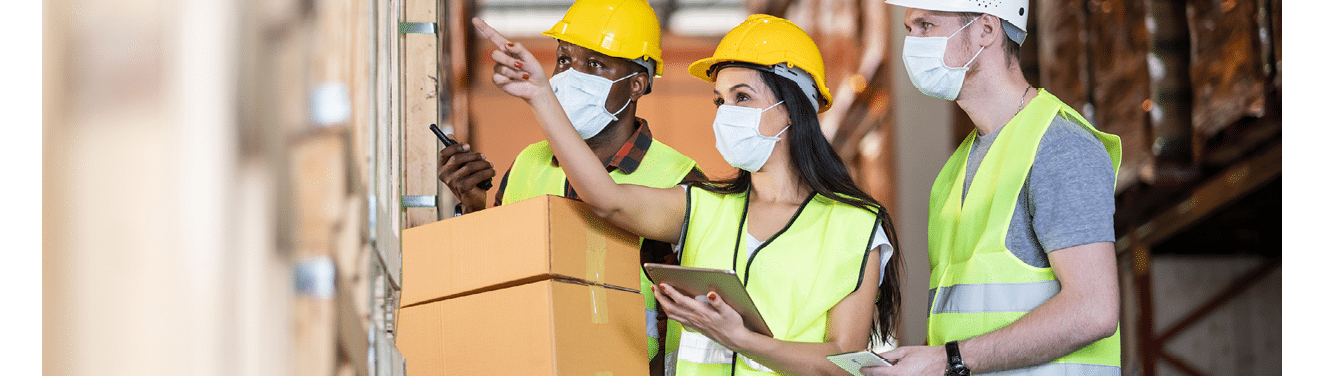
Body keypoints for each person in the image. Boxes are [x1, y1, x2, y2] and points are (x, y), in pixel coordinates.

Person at [473, 14, 904, 376]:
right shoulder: (701, 206)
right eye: (720, 100)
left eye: (742, 97)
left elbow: (846, 361)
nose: (726, 113)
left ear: (792, 107)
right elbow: (606, 198)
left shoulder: (854, 224)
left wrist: (741, 340)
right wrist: (541, 97)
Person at [435, 0, 702, 371]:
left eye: (594, 65)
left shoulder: (680, 179)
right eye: (564, 60)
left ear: (637, 84)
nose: (570, 75)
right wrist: (473, 206)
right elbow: (502, 274)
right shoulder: (530, 163)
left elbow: (696, 318)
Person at [866, 0, 1124, 375]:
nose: (913, 43)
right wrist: (918, 360)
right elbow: (966, 327)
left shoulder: (1058, 145)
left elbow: (1094, 310)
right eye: (909, 29)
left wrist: (946, 360)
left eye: (925, 26)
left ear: (987, 29)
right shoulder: (952, 174)